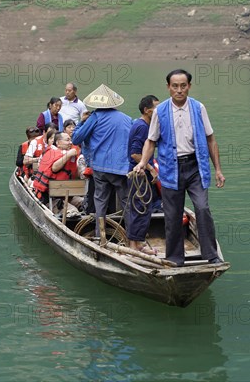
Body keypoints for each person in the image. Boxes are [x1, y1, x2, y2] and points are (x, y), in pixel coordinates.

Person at [134, 69, 226, 266]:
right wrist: (142, 163)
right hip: (170, 168)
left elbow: (211, 139)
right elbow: (151, 141)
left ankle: (211, 255)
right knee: (173, 214)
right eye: (175, 86)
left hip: (195, 166)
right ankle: (175, 258)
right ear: (168, 87)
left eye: (183, 86)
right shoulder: (160, 111)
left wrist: (218, 169)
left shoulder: (198, 107)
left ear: (189, 87)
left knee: (202, 208)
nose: (179, 90)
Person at [72, 84, 133, 243]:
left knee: (100, 201)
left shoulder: (95, 117)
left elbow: (76, 139)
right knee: (126, 202)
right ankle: (133, 238)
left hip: (100, 167)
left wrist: (81, 122)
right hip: (121, 167)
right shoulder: (127, 119)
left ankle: (101, 236)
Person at [127, 95, 160, 255]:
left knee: (144, 208)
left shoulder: (146, 125)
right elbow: (135, 154)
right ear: (147, 110)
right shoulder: (141, 127)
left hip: (141, 174)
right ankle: (134, 246)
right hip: (138, 174)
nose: (158, 111)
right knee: (139, 208)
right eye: (156, 108)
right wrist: (150, 168)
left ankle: (138, 243)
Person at [32, 132, 81, 206]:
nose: (70, 142)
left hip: (67, 194)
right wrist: (68, 154)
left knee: (83, 202)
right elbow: (54, 168)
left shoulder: (71, 155)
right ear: (58, 142)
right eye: (67, 140)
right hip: (50, 197)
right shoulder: (52, 152)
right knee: (71, 210)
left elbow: (75, 174)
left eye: (70, 140)